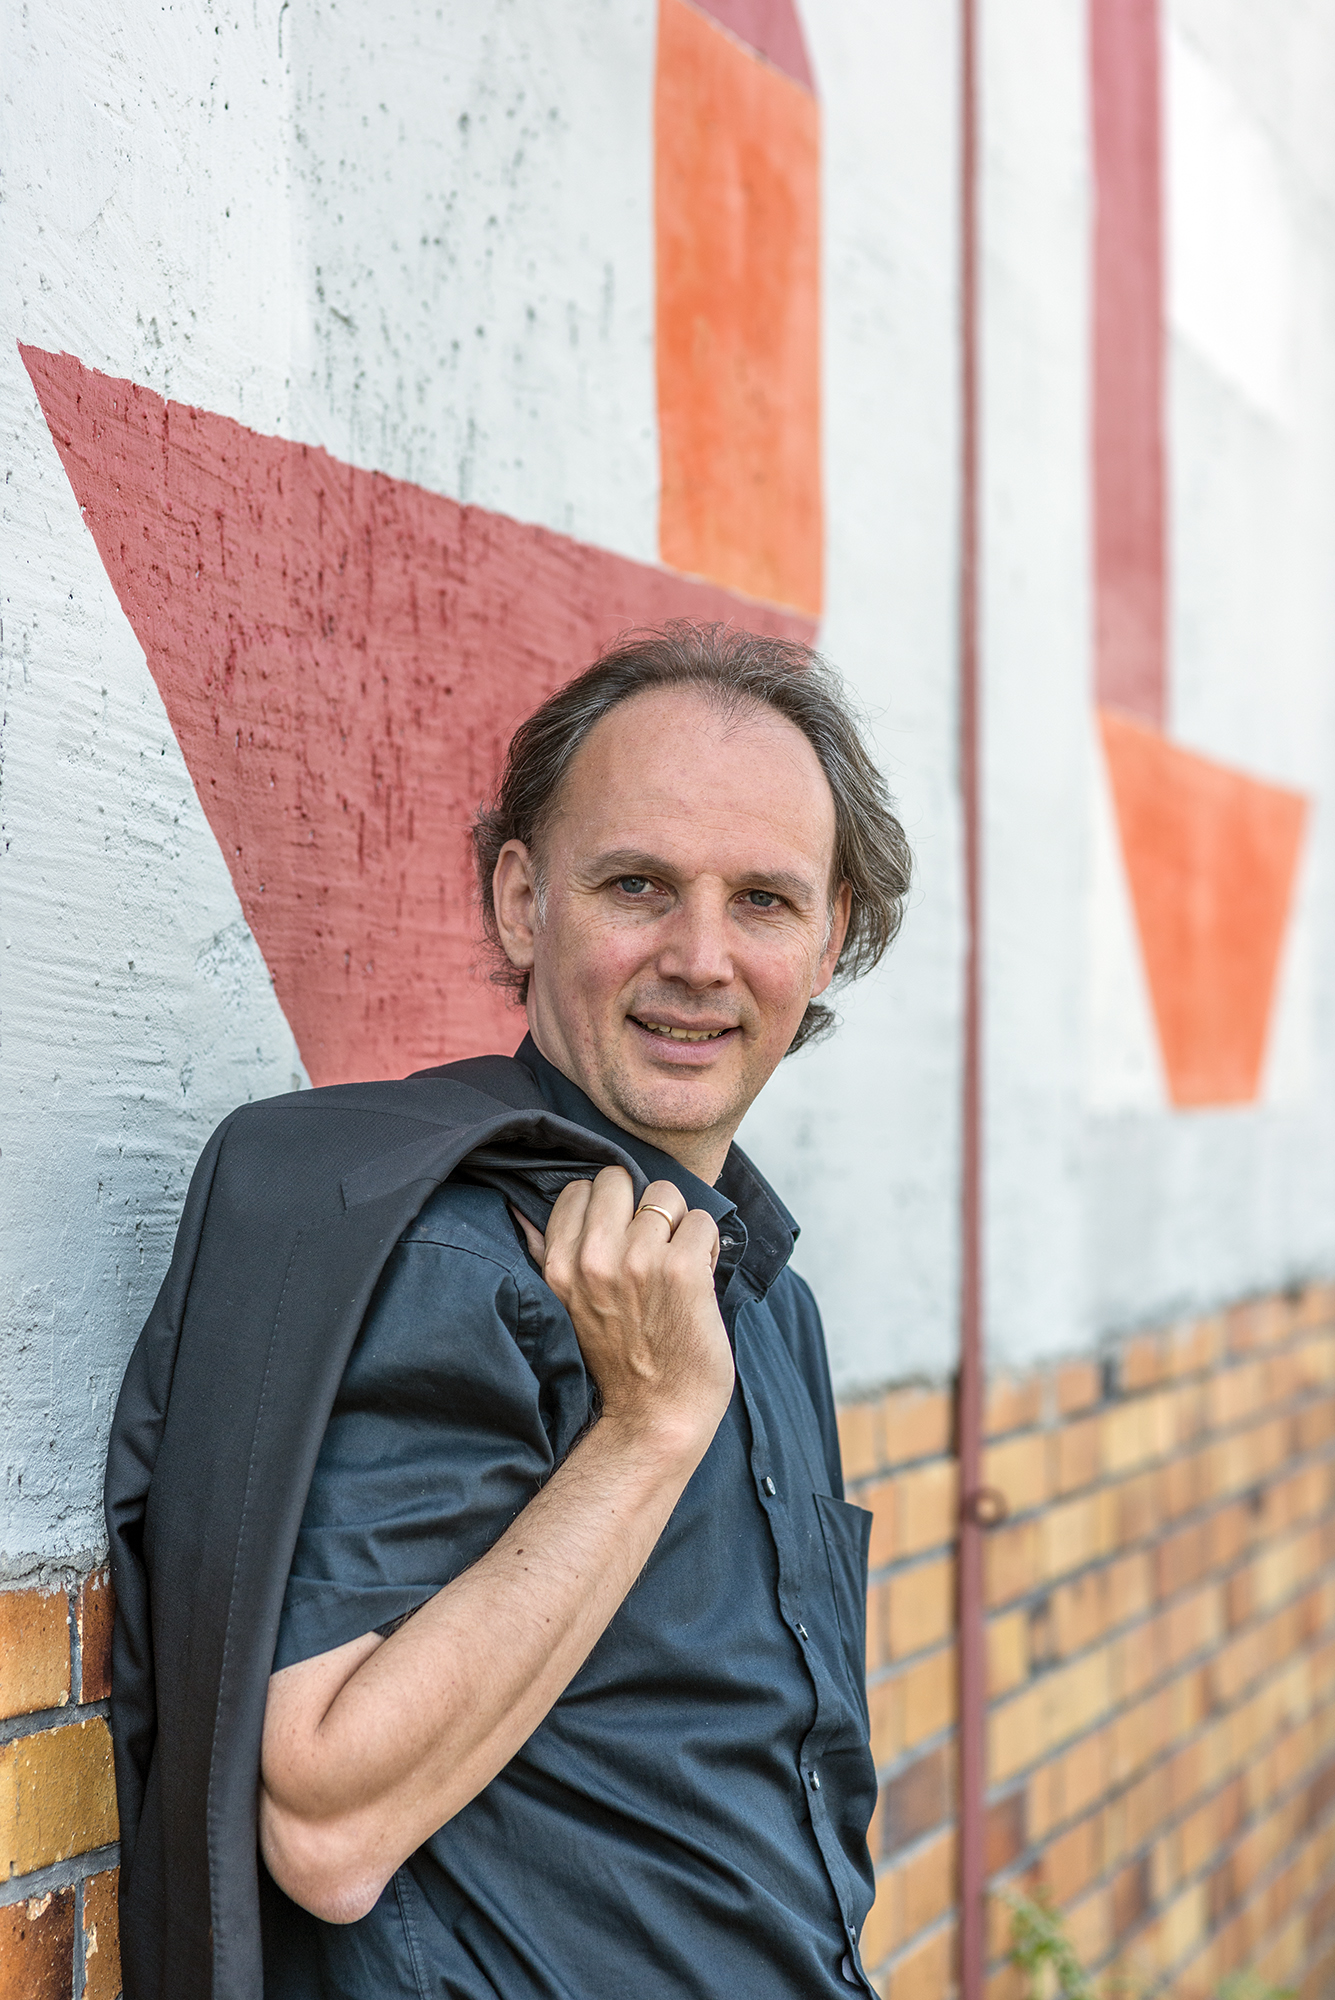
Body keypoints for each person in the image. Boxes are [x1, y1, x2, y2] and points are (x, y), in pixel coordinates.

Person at [107, 622, 912, 2000]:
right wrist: (648, 1429)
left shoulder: (771, 1303)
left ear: (831, 937)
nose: (701, 958)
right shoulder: (456, 1251)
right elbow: (324, 1818)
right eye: (638, 885)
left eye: (764, 901)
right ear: (522, 901)